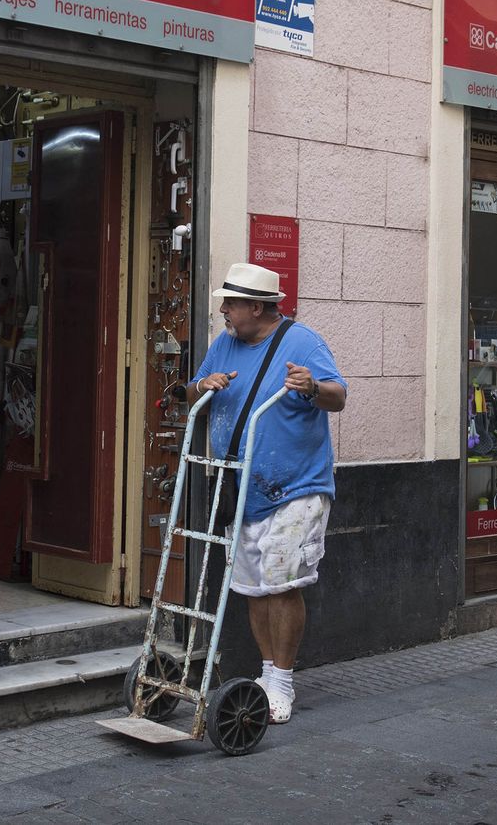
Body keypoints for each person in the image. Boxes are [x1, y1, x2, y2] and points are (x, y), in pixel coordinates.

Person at [184, 262, 347, 724]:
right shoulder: (224, 344)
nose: (223, 310)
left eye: (230, 304)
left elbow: (338, 396)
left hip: (296, 487)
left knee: (281, 583)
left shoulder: (303, 342)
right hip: (239, 487)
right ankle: (268, 672)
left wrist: (311, 386)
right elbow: (192, 393)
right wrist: (202, 386)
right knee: (253, 586)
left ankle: (282, 682)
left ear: (257, 307)